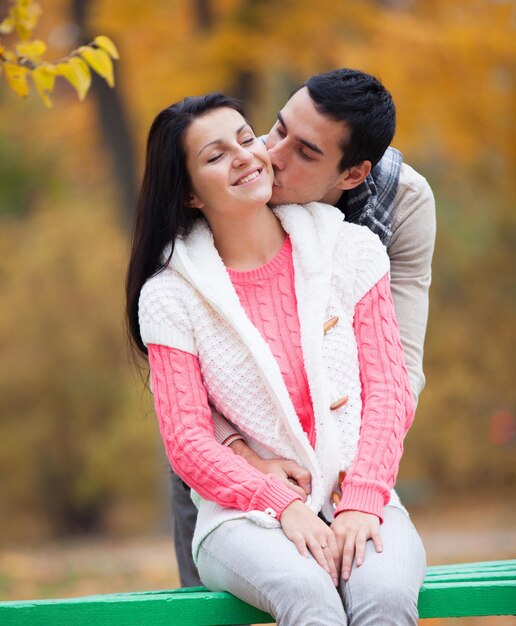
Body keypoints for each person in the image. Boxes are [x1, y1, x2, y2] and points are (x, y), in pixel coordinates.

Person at [126, 89, 426, 625]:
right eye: (215, 156)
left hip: (361, 495)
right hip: (241, 517)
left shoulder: (352, 251)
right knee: (307, 593)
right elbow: (187, 438)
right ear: (190, 194)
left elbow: (390, 388)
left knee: (384, 596)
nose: (245, 154)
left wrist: (362, 498)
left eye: (245, 138)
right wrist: (281, 503)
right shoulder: (170, 294)